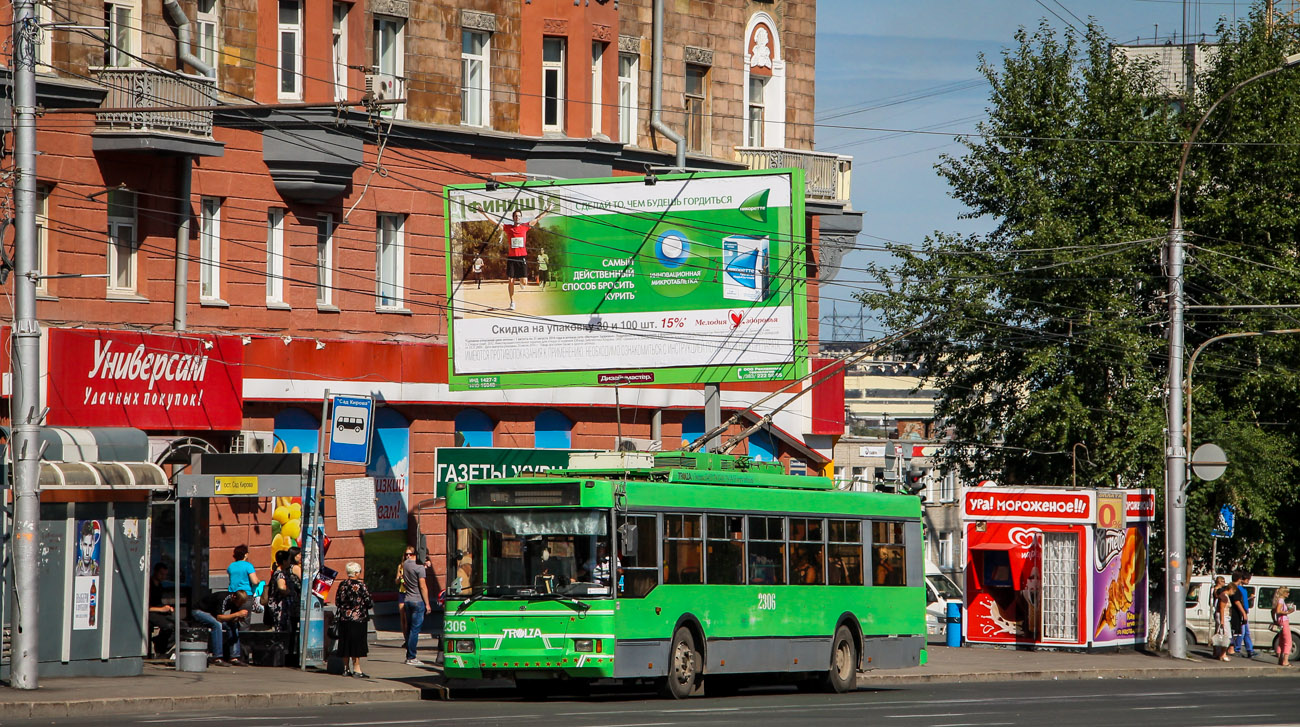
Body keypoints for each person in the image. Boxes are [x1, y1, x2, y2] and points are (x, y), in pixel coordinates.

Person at [488, 207, 550, 311]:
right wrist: (483, 213)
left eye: (519, 216)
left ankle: (522, 283)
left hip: (522, 258)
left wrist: (547, 210)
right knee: (511, 280)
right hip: (512, 258)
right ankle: (512, 302)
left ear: (521, 218)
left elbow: (538, 218)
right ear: (513, 218)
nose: (517, 217)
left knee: (524, 282)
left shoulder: (525, 226)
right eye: (516, 216)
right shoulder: (508, 228)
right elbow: (494, 222)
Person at [335, 561, 374, 678]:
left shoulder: (342, 584)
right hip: (358, 619)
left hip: (344, 618)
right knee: (356, 644)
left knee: (345, 643)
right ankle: (357, 669)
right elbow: (368, 602)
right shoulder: (361, 586)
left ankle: (346, 669)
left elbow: (337, 601)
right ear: (356, 573)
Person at [193, 590, 251, 666]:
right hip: (199, 611)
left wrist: (239, 618)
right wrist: (237, 614)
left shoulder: (235, 602)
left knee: (233, 625)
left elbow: (232, 618)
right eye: (238, 603)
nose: (239, 605)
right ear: (234, 597)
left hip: (212, 614)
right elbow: (219, 618)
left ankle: (234, 657)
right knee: (217, 625)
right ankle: (217, 657)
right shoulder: (223, 598)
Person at [401, 547, 431, 666]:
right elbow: (423, 587)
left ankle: (409, 655)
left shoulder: (406, 564)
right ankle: (411, 657)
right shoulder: (420, 568)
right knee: (415, 630)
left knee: (409, 629)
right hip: (418, 601)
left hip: (407, 600)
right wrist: (427, 604)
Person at [147, 562, 175, 658]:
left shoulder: (160, 586)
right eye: (161, 574)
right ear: (155, 572)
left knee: (181, 625)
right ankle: (160, 648)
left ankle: (161, 645)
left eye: (165, 575)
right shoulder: (148, 585)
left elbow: (158, 603)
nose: (163, 577)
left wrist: (167, 608)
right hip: (151, 612)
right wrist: (161, 609)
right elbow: (147, 606)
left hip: (159, 611)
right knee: (168, 626)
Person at [1230, 570, 1256, 658]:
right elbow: (1237, 601)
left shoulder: (1243, 589)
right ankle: (1237, 649)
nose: (1248, 581)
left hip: (1245, 611)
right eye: (1247, 579)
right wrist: (1243, 612)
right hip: (1241, 613)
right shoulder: (1238, 589)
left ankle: (1250, 650)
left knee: (1247, 632)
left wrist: (1249, 599)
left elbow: (1242, 600)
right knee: (1241, 632)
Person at [1211, 576, 1232, 662]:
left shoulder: (1221, 592)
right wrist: (1222, 620)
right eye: (1222, 581)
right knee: (1223, 635)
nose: (1224, 583)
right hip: (1220, 614)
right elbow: (1221, 606)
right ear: (1219, 581)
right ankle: (1221, 653)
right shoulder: (1217, 591)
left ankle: (1217, 652)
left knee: (1218, 634)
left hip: (1218, 614)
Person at [1275, 585, 1295, 667]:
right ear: (1283, 593)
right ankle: (1285, 661)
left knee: (1281, 641)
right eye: (1287, 592)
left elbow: (1274, 611)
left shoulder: (1278, 600)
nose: (1288, 594)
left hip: (1280, 621)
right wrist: (1288, 612)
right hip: (1284, 621)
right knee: (1288, 641)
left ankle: (1280, 659)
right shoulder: (1281, 600)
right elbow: (1278, 611)